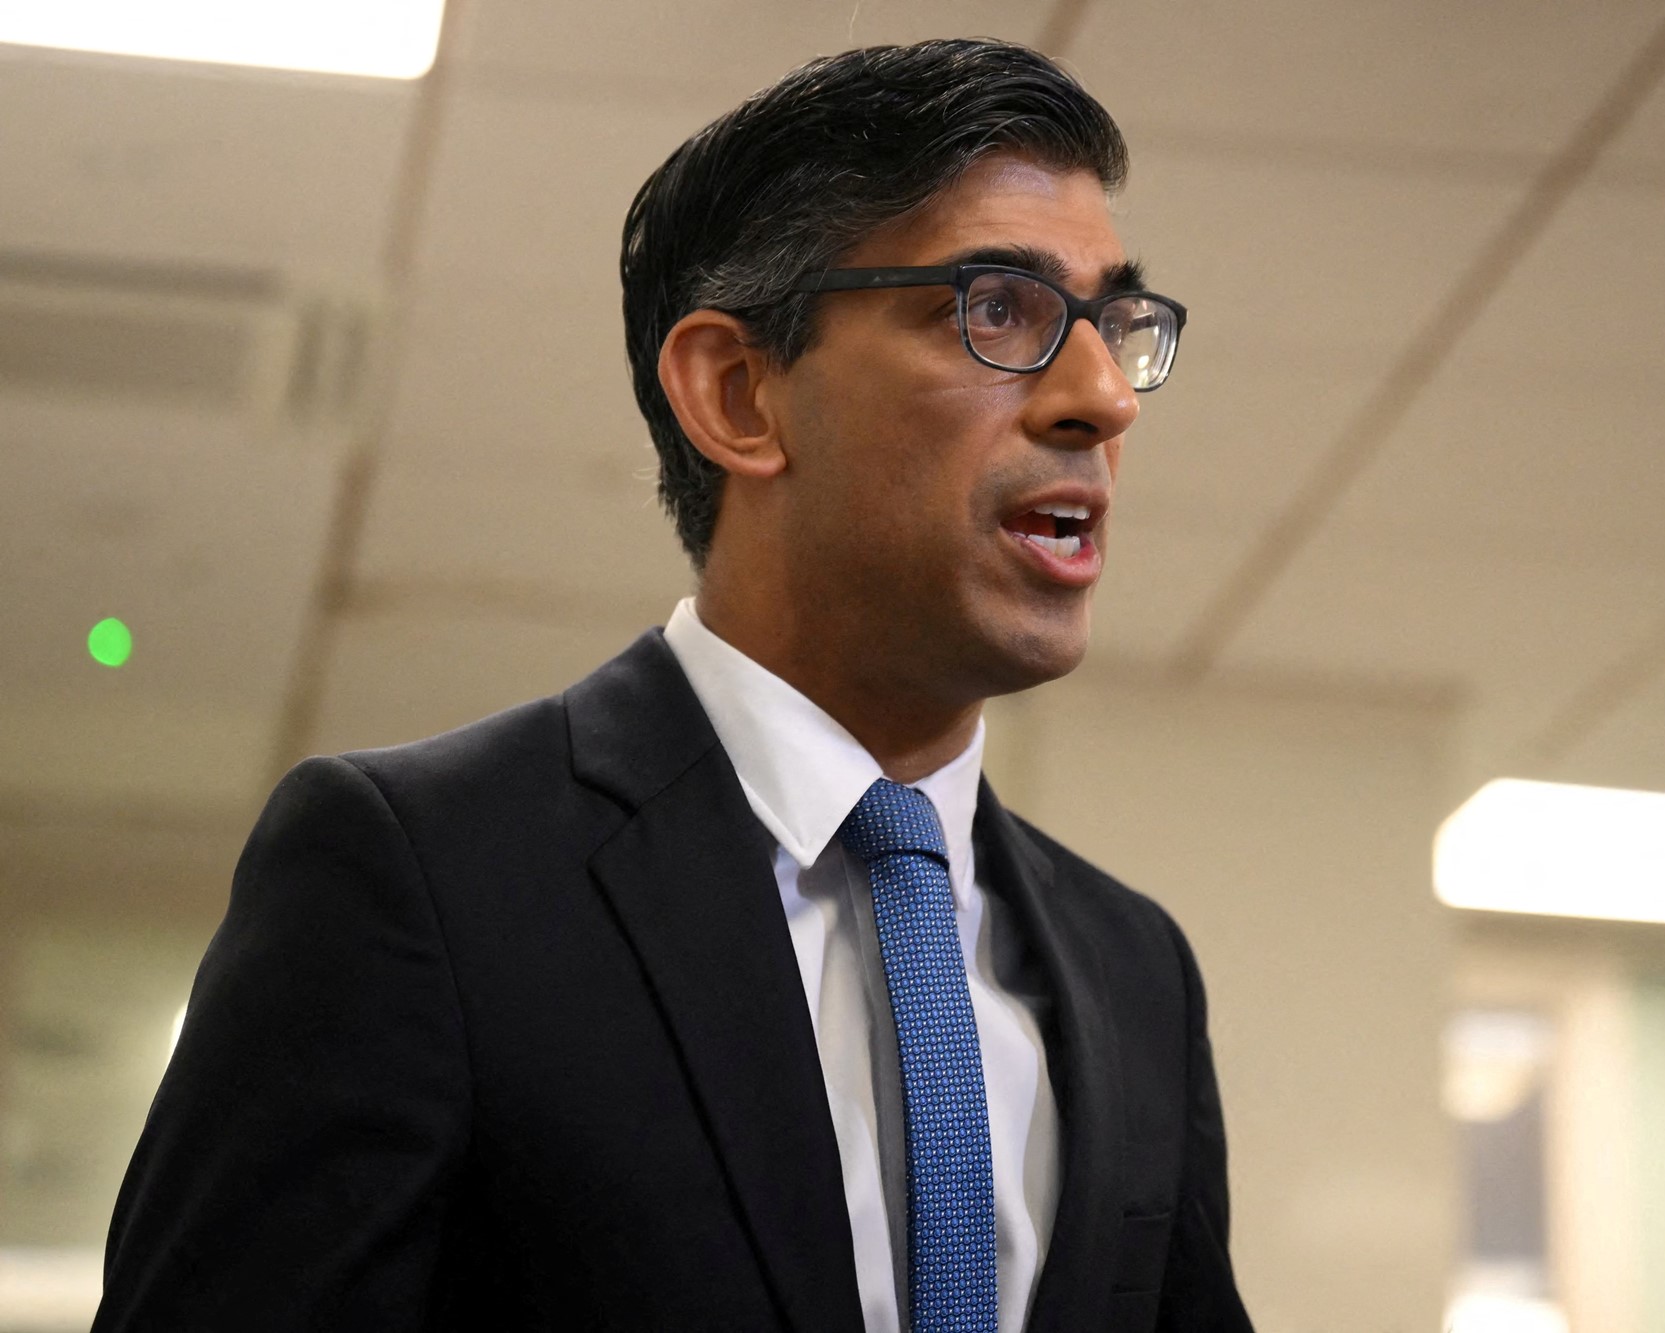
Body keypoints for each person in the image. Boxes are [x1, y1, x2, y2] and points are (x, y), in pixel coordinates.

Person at [94, 38, 1250, 1333]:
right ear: (740, 393)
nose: (1102, 398)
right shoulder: (419, 876)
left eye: (1118, 324)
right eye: (1000, 309)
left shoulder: (1133, 966)